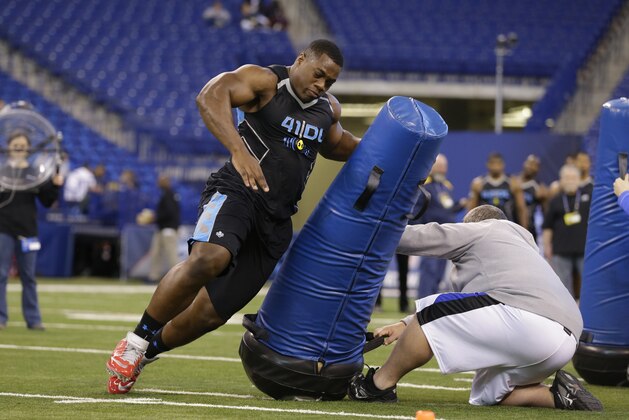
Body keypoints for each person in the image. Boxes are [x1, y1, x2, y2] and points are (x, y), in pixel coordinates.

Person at [105, 39, 359, 394]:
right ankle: (134, 341)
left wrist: (394, 157)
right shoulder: (265, 82)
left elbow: (337, 144)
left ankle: (145, 355)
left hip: (277, 220)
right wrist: (238, 151)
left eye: (330, 81)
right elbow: (209, 96)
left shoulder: (327, 109)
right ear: (301, 60)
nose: (322, 85)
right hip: (237, 193)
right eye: (318, 74)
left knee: (212, 313)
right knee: (209, 258)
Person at [347, 205, 602, 411]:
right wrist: (405, 325)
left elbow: (422, 237)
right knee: (487, 395)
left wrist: (372, 230)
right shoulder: (523, 249)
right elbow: (469, 308)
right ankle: (558, 396)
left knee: (431, 312)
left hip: (530, 323)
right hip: (564, 342)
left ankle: (377, 386)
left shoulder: (485, 229)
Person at [0, 131, 64, 330]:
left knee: (29, 277)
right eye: (15, 144)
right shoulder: (1, 171)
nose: (19, 147)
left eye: (22, 144)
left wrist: (55, 186)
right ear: (8, 146)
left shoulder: (35, 173)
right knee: (1, 274)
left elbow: (47, 201)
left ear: (28, 148)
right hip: (3, 228)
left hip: (28, 230)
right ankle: (1, 318)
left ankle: (33, 319)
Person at [414, 153, 460, 300]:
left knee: (439, 272)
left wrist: (460, 205)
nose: (442, 170)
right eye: (439, 166)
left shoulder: (446, 187)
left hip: (445, 236)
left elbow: (447, 209)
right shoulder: (425, 186)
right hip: (430, 236)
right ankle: (423, 302)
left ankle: (432, 303)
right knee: (429, 270)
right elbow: (417, 210)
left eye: (444, 167)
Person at [542, 165, 591, 298]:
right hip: (560, 251)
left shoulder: (589, 197)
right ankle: (566, 316)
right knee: (562, 288)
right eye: (567, 178)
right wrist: (547, 247)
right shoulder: (555, 201)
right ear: (561, 180)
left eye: (573, 178)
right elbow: (547, 226)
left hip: (585, 250)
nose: (570, 181)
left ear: (579, 179)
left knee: (590, 284)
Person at [468, 152, 528, 229]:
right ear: (488, 164)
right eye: (493, 163)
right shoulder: (478, 183)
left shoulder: (513, 182)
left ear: (503, 164)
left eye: (498, 163)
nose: (495, 166)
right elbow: (472, 210)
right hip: (484, 227)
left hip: (508, 226)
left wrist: (524, 230)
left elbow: (521, 208)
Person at [140, 175, 181, 283]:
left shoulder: (169, 195)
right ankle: (154, 277)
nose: (159, 182)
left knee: (171, 255)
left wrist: (154, 217)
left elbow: (169, 213)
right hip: (162, 228)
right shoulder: (166, 195)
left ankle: (179, 279)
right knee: (156, 253)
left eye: (161, 181)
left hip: (168, 229)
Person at [517, 155, 547, 243]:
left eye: (534, 165)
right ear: (524, 164)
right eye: (529, 163)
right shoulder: (513, 182)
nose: (530, 167)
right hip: (511, 225)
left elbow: (545, 212)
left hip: (529, 230)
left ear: (538, 169)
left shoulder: (539, 188)